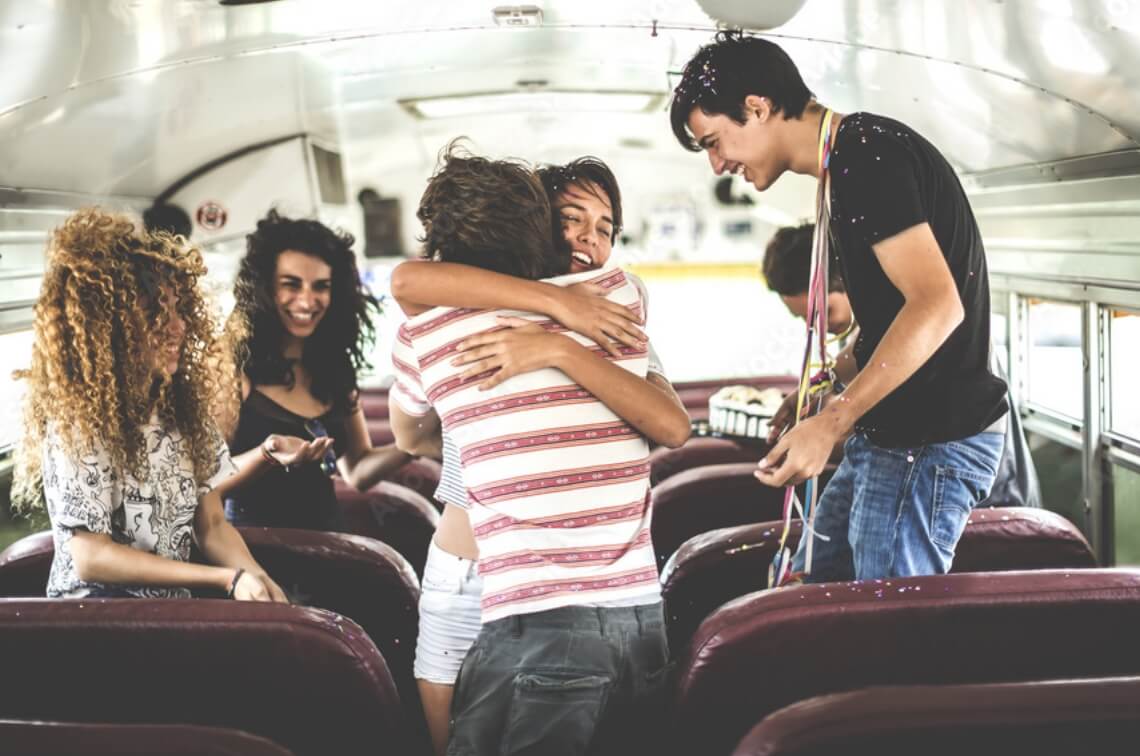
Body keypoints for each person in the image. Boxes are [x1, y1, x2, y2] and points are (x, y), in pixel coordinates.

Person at [671, 31, 1008, 582]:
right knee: (808, 580)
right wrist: (822, 390)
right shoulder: (847, 165)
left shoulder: (865, 158)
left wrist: (833, 422)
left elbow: (937, 307)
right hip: (893, 438)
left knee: (887, 631)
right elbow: (889, 322)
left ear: (756, 107)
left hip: (926, 443)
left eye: (713, 140)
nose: (716, 164)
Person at [391, 145, 688, 755]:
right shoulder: (615, 302)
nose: (587, 238)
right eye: (571, 219)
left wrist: (557, 344)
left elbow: (406, 288)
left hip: (539, 597)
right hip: (603, 598)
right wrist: (558, 311)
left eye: (605, 227)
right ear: (536, 228)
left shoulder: (600, 312)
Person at [11, 208, 287, 602]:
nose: (177, 326)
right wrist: (224, 579)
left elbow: (211, 525)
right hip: (91, 624)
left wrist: (259, 580)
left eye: (178, 310)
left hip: (168, 619)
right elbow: (91, 557)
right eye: (157, 313)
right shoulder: (79, 421)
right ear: (111, 326)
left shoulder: (181, 412)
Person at [762, 222, 1041, 509]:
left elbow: (874, 424)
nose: (820, 328)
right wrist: (815, 389)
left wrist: (808, 441)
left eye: (825, 312)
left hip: (993, 497)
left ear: (846, 283)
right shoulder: (879, 323)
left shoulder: (910, 327)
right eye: (807, 320)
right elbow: (856, 358)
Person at [215, 210, 413, 530]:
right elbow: (203, 484)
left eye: (320, 287)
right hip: (255, 548)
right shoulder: (231, 366)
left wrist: (414, 446)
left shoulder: (335, 366)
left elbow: (358, 470)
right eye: (291, 285)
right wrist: (266, 455)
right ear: (263, 289)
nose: (307, 301)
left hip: (328, 544)